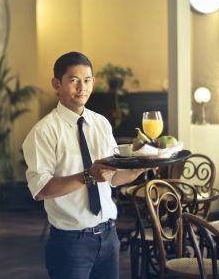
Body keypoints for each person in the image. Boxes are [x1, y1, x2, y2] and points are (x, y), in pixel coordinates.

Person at [22, 51, 145, 279]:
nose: (82, 87)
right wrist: (87, 176)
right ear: (56, 84)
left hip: (109, 237)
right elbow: (40, 190)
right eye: (74, 80)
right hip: (71, 243)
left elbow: (113, 178)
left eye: (87, 80)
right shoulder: (43, 131)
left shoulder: (101, 124)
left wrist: (140, 168)